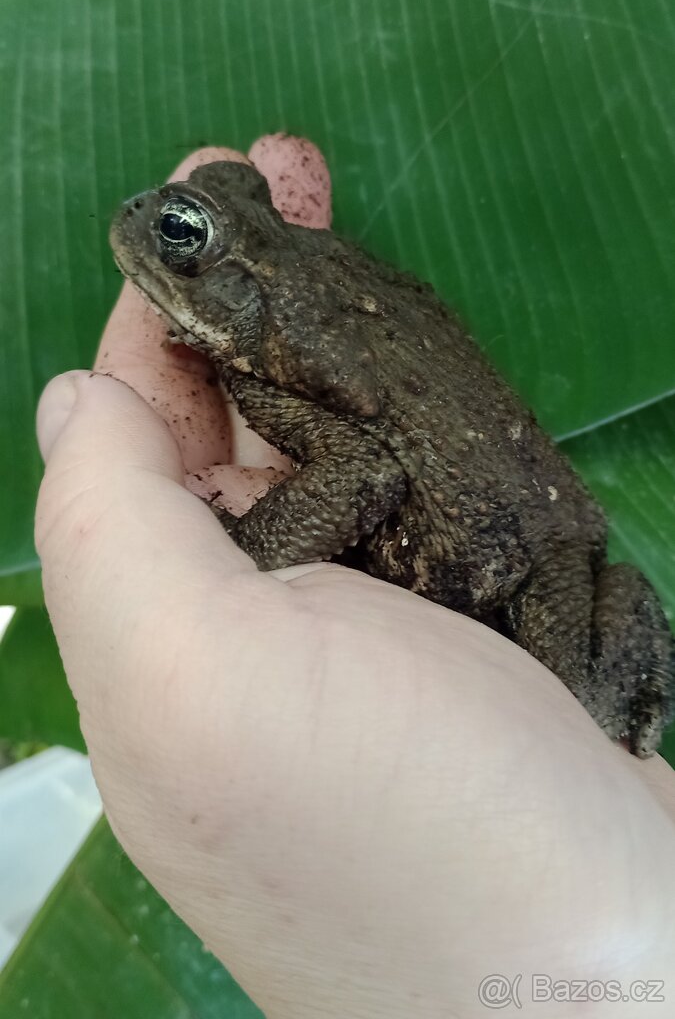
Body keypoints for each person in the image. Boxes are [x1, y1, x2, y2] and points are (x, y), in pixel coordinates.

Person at [35, 135, 675, 1018]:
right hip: (523, 493)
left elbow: (366, 474)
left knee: (589, 703)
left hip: (517, 560)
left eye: (182, 232)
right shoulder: (276, 342)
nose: (148, 225)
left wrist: (252, 545)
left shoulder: (271, 378)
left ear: (240, 289)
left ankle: (620, 721)